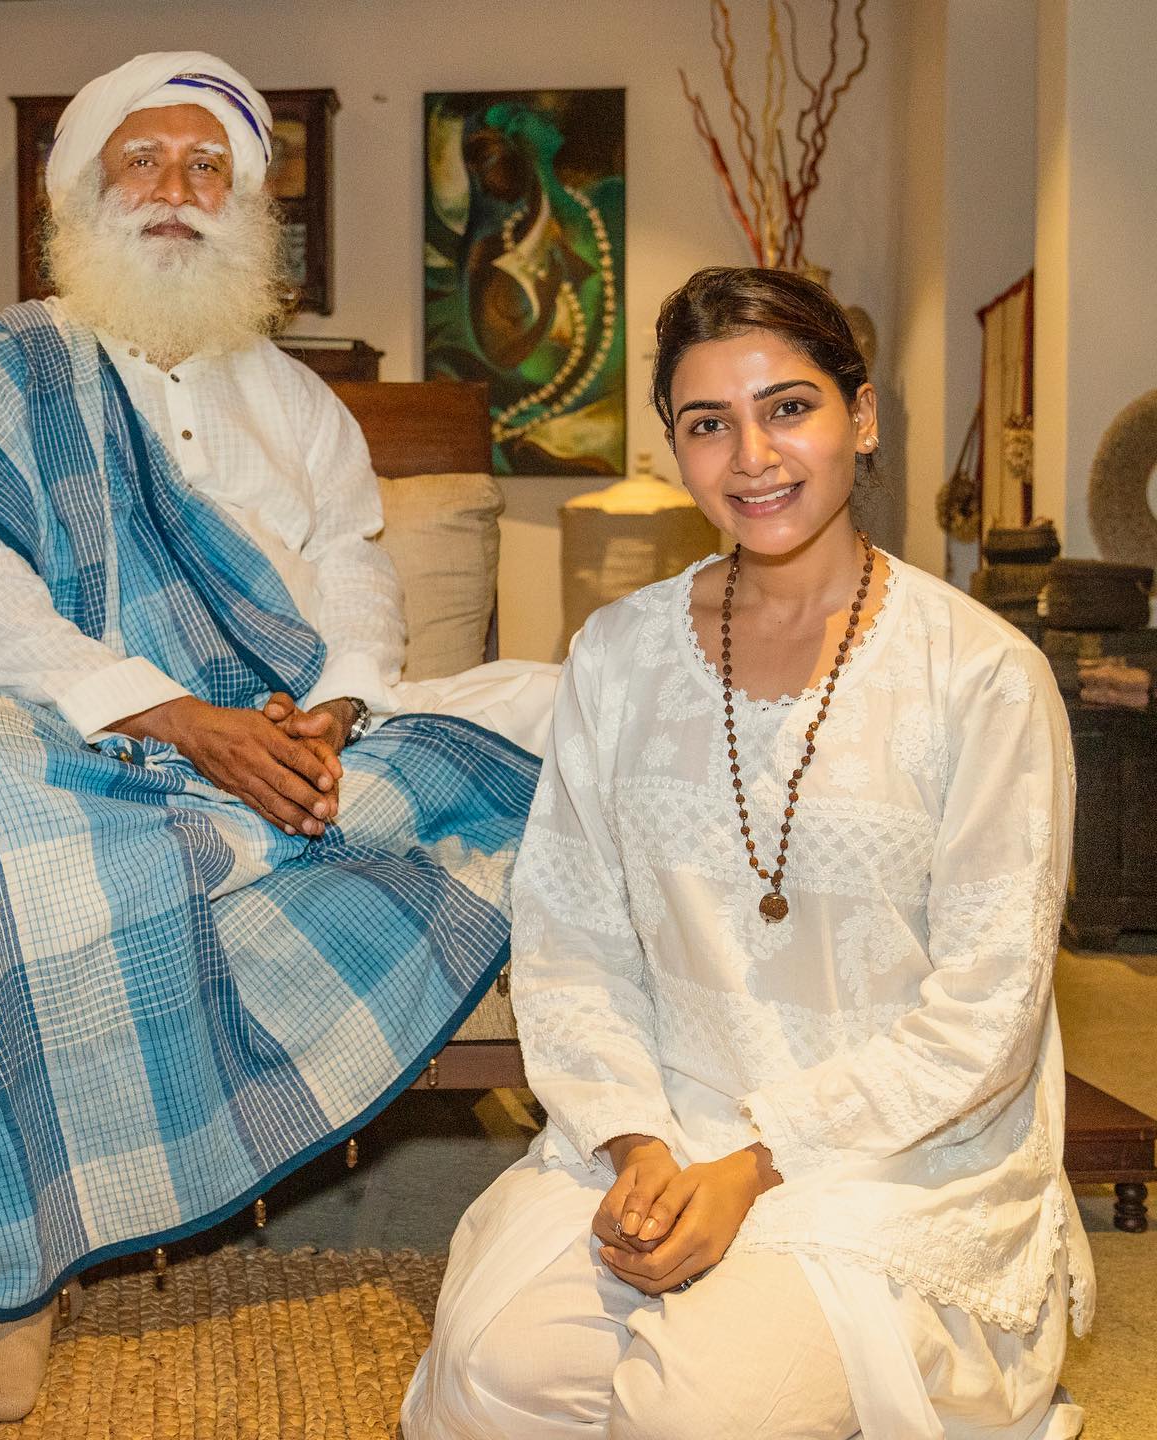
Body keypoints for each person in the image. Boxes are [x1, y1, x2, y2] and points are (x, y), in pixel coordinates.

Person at [0, 51, 556, 1423]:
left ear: (246, 207)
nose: (174, 188)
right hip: (66, 738)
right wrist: (174, 720)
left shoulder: (300, 403)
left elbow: (357, 573)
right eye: (142, 160)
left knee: (556, 725)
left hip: (282, 737)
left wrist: (333, 711)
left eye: (206, 166)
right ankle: (19, 1285)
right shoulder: (12, 368)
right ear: (84, 197)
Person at [403, 266, 1094, 1440]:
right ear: (675, 445)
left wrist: (757, 1162)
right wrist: (635, 1140)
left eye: (789, 408)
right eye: (708, 424)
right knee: (496, 1379)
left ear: (861, 417)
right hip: (667, 1129)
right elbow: (568, 939)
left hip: (888, 1160)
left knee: (692, 1416)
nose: (753, 457)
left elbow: (987, 1012)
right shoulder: (618, 655)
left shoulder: (980, 677)